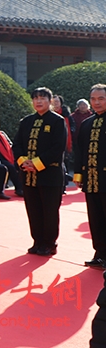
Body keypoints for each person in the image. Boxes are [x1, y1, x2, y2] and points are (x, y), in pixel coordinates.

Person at [13, 87, 67, 257]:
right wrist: (23, 162)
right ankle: (37, 240)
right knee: (33, 209)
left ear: (50, 101)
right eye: (35, 98)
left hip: (49, 174)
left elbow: (58, 148)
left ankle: (49, 243)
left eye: (42, 98)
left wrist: (36, 163)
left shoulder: (58, 121)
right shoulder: (26, 121)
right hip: (28, 175)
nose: (38, 101)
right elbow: (17, 145)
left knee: (49, 210)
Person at [75, 84, 106, 269]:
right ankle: (100, 254)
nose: (96, 102)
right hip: (92, 180)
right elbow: (80, 151)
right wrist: (79, 174)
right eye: (93, 99)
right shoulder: (87, 123)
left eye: (101, 98)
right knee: (95, 219)